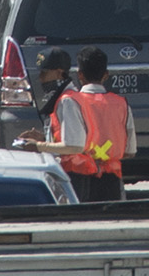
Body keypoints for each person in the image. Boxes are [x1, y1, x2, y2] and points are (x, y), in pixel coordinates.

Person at [22, 48, 130, 202]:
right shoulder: (111, 102)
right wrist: (46, 138)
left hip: (79, 178)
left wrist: (39, 145)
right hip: (108, 175)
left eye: (44, 73)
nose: (40, 78)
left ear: (60, 73)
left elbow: (75, 145)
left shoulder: (69, 100)